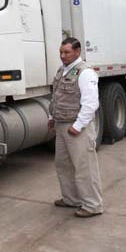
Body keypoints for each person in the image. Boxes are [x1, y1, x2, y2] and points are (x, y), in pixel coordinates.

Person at [48, 37, 104, 218]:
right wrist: (51, 117)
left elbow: (91, 103)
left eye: (66, 52)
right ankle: (71, 198)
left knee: (84, 167)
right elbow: (56, 96)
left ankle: (92, 205)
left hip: (76, 128)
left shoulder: (85, 73)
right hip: (61, 125)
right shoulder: (63, 71)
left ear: (77, 52)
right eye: (61, 52)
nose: (62, 56)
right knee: (63, 164)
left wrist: (78, 126)